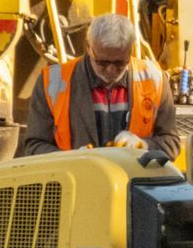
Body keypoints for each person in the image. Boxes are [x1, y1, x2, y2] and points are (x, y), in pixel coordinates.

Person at [20, 13, 180, 160]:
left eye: (119, 63)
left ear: (129, 50)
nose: (111, 70)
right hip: (76, 184)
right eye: (102, 62)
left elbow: (171, 144)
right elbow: (34, 146)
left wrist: (143, 146)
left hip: (133, 185)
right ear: (88, 48)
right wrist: (71, 159)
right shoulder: (53, 81)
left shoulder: (154, 78)